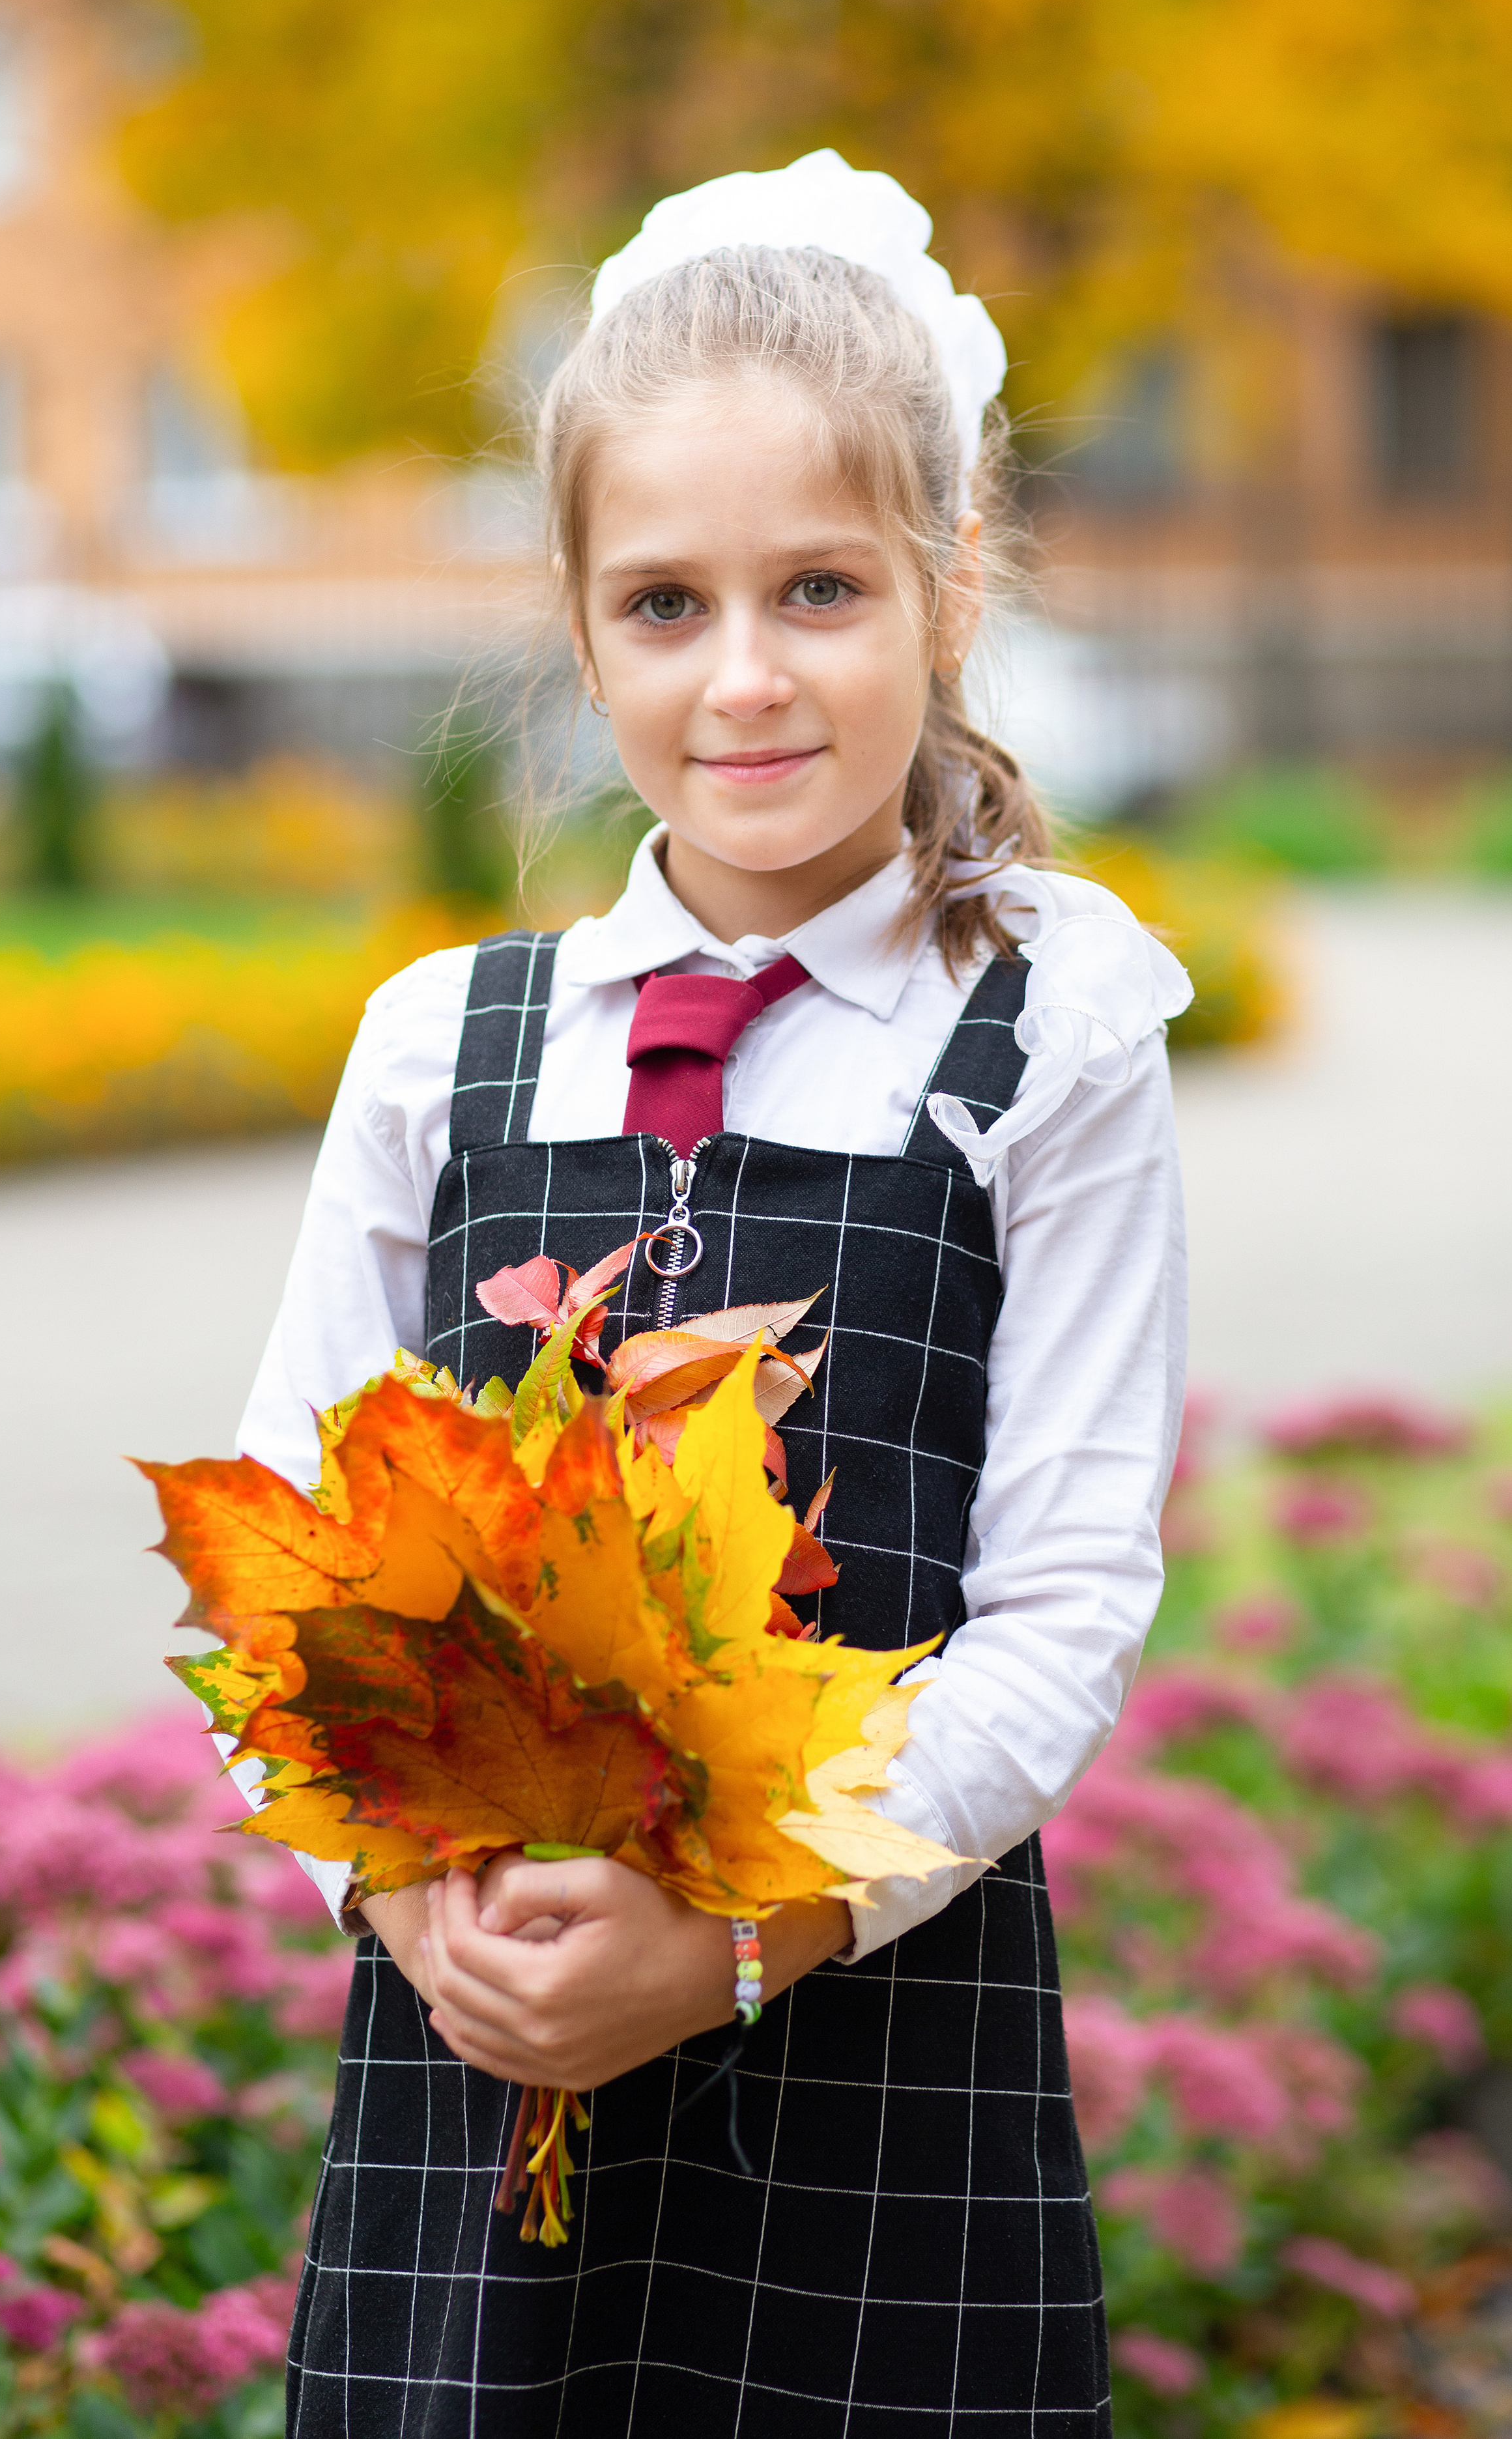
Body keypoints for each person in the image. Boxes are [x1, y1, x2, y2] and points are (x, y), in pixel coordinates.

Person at [236, 149, 1191, 2439]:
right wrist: (413, 1913)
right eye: (666, 603)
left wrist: (743, 1944)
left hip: (874, 2067)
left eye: (823, 590)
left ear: (949, 591)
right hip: (478, 2066)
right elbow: (289, 1537)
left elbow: (1061, 1604)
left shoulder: (1040, 1045)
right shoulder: (442, 1046)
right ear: (581, 629)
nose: (746, 678)